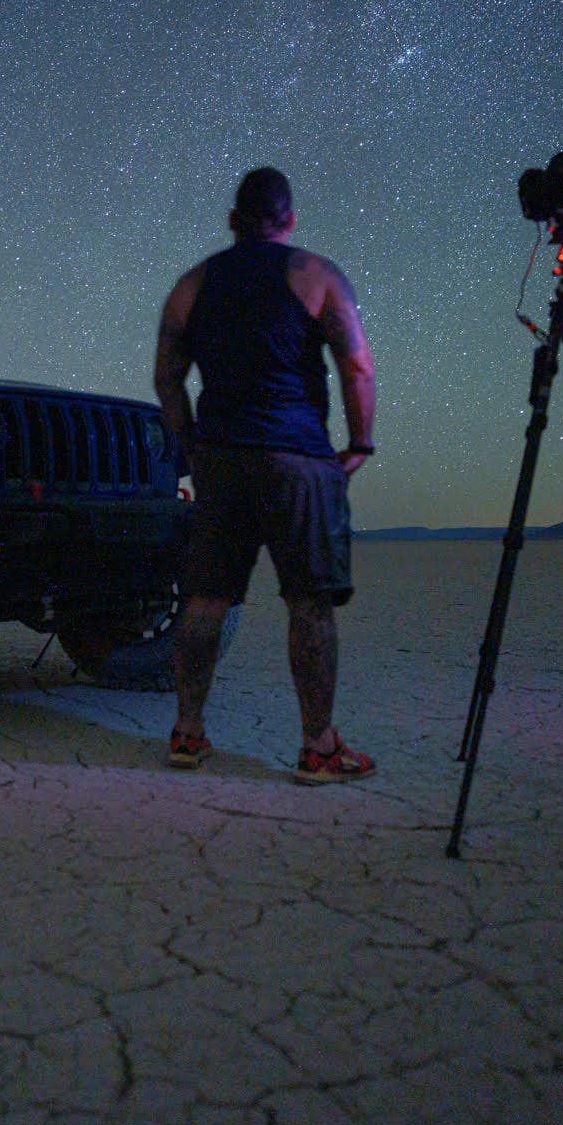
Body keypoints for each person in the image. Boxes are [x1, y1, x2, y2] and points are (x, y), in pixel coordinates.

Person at [153, 167, 377, 784]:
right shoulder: (316, 275)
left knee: (205, 599)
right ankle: (319, 747)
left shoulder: (194, 284)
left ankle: (188, 735)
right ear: (291, 221)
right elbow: (355, 365)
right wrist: (359, 443)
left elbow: (167, 377)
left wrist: (192, 447)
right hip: (297, 460)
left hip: (222, 459)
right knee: (309, 603)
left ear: (233, 221)